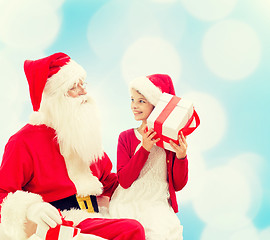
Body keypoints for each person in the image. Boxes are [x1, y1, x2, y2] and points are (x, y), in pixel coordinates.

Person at [0, 52, 145, 240]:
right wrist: (31, 208)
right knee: (131, 230)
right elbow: (3, 192)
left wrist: (144, 180)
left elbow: (108, 180)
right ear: (54, 96)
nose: (83, 92)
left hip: (95, 215)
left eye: (82, 84)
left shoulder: (82, 133)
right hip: (63, 221)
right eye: (73, 87)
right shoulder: (23, 141)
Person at [109, 74, 188, 240]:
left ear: (157, 106)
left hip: (158, 203)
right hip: (130, 201)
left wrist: (181, 158)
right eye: (132, 100)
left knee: (165, 233)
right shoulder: (126, 137)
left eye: (141, 101)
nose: (134, 106)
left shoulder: (171, 142)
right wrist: (144, 148)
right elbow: (124, 180)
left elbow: (178, 184)